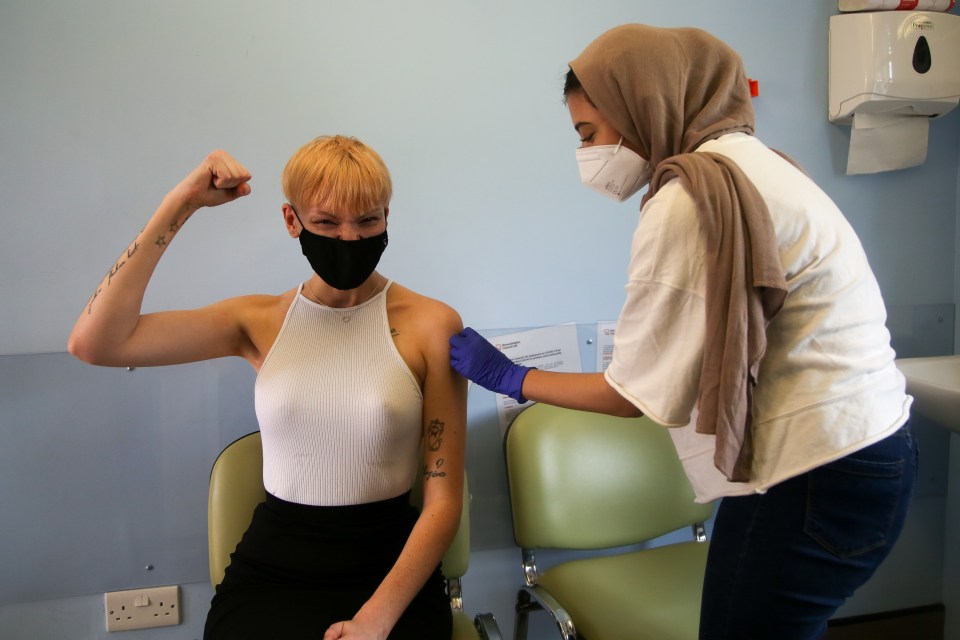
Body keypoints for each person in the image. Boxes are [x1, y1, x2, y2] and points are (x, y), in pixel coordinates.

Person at [449, 24, 917, 640]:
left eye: (589, 134)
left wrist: (512, 377)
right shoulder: (762, 168)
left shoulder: (691, 198)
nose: (587, 155)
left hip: (814, 475)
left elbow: (630, 395)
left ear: (640, 107)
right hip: (876, 453)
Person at [68, 135, 466, 640]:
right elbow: (96, 342)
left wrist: (376, 618)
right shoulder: (257, 321)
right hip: (276, 565)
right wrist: (183, 202)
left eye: (368, 220)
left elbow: (443, 500)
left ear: (388, 216)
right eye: (326, 222)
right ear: (291, 220)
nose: (349, 238)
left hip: (390, 568)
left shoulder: (433, 324)